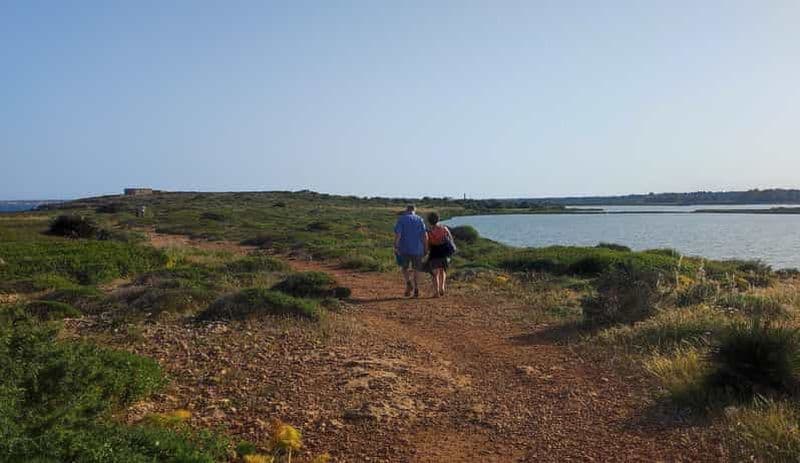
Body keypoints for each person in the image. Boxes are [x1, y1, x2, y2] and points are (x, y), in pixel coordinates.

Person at [394, 204, 428, 298]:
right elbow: (424, 236)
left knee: (404, 268)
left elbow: (398, 234)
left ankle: (408, 283)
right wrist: (426, 247)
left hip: (404, 248)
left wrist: (395, 245)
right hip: (418, 249)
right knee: (416, 269)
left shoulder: (401, 219)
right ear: (414, 210)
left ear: (406, 210)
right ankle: (416, 288)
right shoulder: (420, 219)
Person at [426, 212, 454, 297]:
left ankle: (436, 292)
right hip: (444, 251)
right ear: (438, 219)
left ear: (429, 221)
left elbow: (427, 243)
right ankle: (442, 287)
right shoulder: (444, 228)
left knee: (435, 273)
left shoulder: (428, 231)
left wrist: (426, 251)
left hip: (434, 252)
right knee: (443, 270)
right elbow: (451, 239)